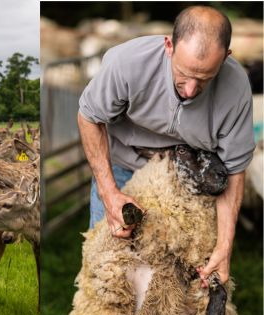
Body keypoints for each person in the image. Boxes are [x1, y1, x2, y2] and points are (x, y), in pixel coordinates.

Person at [78, 6, 254, 289]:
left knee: (183, 282)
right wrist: (109, 193)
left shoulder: (236, 88)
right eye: (183, 74)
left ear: (225, 59)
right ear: (169, 46)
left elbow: (234, 167)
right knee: (107, 275)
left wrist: (224, 246)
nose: (189, 90)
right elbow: (89, 116)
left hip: (191, 184)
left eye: (205, 78)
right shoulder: (128, 62)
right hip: (124, 168)